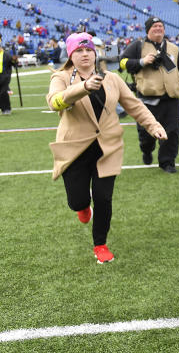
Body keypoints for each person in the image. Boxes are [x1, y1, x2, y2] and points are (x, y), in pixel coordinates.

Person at [47, 33, 166, 263]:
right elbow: (55, 102)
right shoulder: (60, 77)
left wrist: (154, 126)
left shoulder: (111, 78)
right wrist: (82, 87)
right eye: (79, 51)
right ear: (71, 55)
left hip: (107, 147)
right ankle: (82, 207)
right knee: (77, 200)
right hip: (75, 148)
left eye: (88, 50)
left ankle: (100, 244)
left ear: (95, 53)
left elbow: (134, 105)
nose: (85, 55)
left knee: (103, 198)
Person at [119, 16, 179, 173]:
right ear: (148, 29)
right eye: (154, 26)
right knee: (146, 135)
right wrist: (142, 62)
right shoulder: (138, 46)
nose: (158, 29)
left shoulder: (173, 48)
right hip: (147, 99)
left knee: (173, 131)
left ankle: (167, 162)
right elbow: (122, 62)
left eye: (160, 26)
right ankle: (147, 150)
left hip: (171, 98)